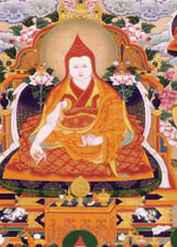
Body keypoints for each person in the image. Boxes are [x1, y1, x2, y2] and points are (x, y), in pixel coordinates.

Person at [26, 36, 150, 178]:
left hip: (99, 132)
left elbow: (116, 123)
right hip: (68, 135)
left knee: (128, 152)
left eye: (84, 66)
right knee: (40, 152)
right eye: (75, 67)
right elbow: (50, 123)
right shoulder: (59, 92)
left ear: (93, 66)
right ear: (68, 68)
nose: (80, 70)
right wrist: (36, 143)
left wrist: (101, 138)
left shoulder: (106, 92)